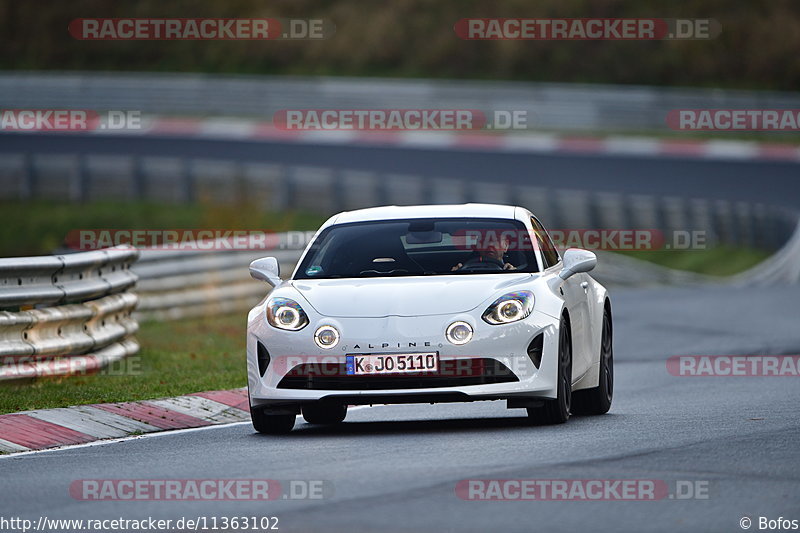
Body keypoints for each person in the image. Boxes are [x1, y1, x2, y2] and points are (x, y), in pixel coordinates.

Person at [451, 233, 516, 271]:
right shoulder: (462, 269)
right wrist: (454, 274)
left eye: (496, 240)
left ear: (506, 245)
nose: (490, 244)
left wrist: (514, 274)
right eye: (485, 240)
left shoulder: (520, 269)